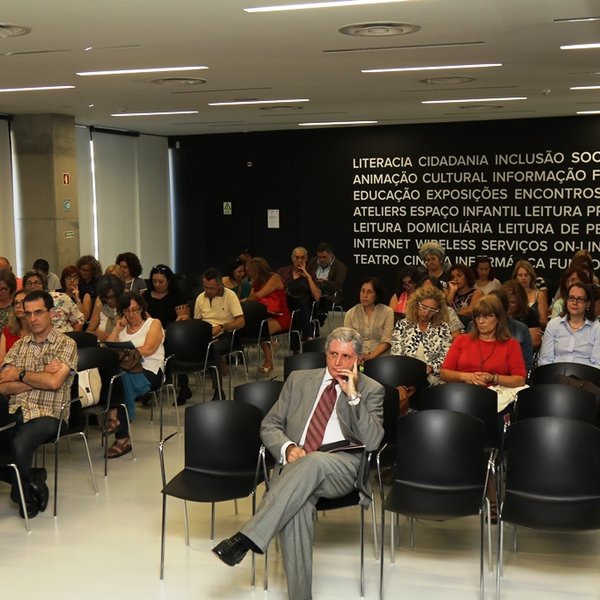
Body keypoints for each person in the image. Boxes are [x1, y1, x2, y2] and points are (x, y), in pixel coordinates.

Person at [212, 327, 384, 600]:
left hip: (342, 467)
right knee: (298, 505)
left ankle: (245, 539)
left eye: (346, 357)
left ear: (358, 359)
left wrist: (352, 396)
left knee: (314, 461)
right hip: (295, 466)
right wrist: (288, 447)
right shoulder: (299, 380)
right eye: (333, 355)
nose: (338, 363)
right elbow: (270, 424)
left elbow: (373, 442)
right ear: (326, 353)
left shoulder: (371, 390)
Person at [0, 290, 77, 518]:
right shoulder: (20, 346)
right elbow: (3, 385)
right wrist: (39, 376)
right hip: (15, 409)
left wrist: (20, 374)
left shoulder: (66, 344)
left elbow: (54, 383)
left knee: (19, 443)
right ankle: (31, 478)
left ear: (51, 313)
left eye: (38, 312)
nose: (33, 318)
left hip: (50, 413)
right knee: (6, 444)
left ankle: (20, 495)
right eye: (29, 313)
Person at [105, 291, 164, 458]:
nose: (131, 314)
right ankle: (121, 435)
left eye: (135, 310)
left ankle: (115, 420)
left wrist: (125, 355)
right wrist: (116, 330)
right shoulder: (122, 329)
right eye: (127, 311)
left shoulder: (153, 324)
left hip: (150, 371)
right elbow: (108, 349)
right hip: (126, 372)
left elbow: (149, 348)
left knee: (119, 381)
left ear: (142, 308)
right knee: (116, 378)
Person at [193, 268, 244, 401]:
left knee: (213, 348)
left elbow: (241, 322)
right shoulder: (200, 298)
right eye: (205, 287)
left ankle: (218, 391)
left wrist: (222, 326)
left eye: (211, 288)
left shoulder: (230, 296)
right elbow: (198, 321)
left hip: (225, 334)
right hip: (206, 334)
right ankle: (183, 387)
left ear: (219, 285)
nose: (208, 291)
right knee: (183, 344)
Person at [390, 286, 451, 386]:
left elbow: (446, 355)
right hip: (405, 375)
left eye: (432, 310)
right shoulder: (403, 324)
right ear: (416, 304)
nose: (427, 312)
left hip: (433, 378)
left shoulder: (443, 327)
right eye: (424, 307)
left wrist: (432, 367)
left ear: (438, 311)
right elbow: (396, 353)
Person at [244, 258, 290, 375]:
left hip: (281, 316)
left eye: (249, 271)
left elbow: (258, 295)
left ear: (256, 271)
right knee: (256, 327)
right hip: (265, 316)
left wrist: (242, 301)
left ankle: (269, 362)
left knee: (261, 330)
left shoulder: (274, 278)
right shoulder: (256, 281)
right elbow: (252, 299)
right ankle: (272, 345)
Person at [538, 282, 600, 367]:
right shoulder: (553, 325)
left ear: (588, 303)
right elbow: (545, 360)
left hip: (585, 377)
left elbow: (597, 363)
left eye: (580, 299)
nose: (574, 302)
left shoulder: (596, 328)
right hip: (555, 375)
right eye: (571, 298)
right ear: (566, 300)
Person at [344, 276, 394, 363]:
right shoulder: (350, 314)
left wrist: (370, 356)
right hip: (358, 357)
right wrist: (359, 356)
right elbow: (348, 341)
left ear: (377, 295)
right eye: (362, 291)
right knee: (359, 372)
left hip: (381, 357)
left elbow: (387, 341)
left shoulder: (387, 312)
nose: (365, 295)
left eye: (369, 292)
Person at [277, 247, 321, 344]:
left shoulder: (310, 273)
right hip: (284, 304)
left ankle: (295, 348)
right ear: (293, 259)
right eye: (297, 258)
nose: (299, 260)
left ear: (306, 259)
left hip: (303, 307)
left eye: (302, 258)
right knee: (297, 305)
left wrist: (307, 277)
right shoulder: (283, 272)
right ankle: (308, 338)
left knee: (298, 307)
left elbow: (317, 296)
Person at [501, 279, 543, 351]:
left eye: (512, 302)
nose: (507, 305)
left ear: (520, 302)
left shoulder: (528, 313)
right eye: (504, 301)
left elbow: (536, 341)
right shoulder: (494, 313)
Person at [307, 242, 348, 307]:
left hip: (329, 293)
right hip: (311, 290)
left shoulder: (340, 266)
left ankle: (317, 316)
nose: (321, 260)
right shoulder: (313, 261)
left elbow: (338, 285)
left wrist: (324, 282)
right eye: (319, 257)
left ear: (331, 254)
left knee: (319, 300)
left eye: (324, 257)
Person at [87, 274, 125, 342]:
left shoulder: (128, 305)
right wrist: (97, 334)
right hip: (104, 347)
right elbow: (89, 331)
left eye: (112, 297)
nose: (109, 300)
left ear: (118, 293)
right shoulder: (100, 306)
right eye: (106, 297)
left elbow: (147, 322)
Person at [512, 259, 548, 329]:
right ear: (515, 277)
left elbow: (544, 322)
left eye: (526, 275)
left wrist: (529, 320)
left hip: (533, 332)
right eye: (520, 275)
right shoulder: (511, 295)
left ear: (531, 276)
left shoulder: (539, 295)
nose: (523, 278)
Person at [0, 289, 30, 362]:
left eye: (22, 302)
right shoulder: (8, 330)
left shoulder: (39, 330)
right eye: (16, 303)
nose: (18, 306)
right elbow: (1, 362)